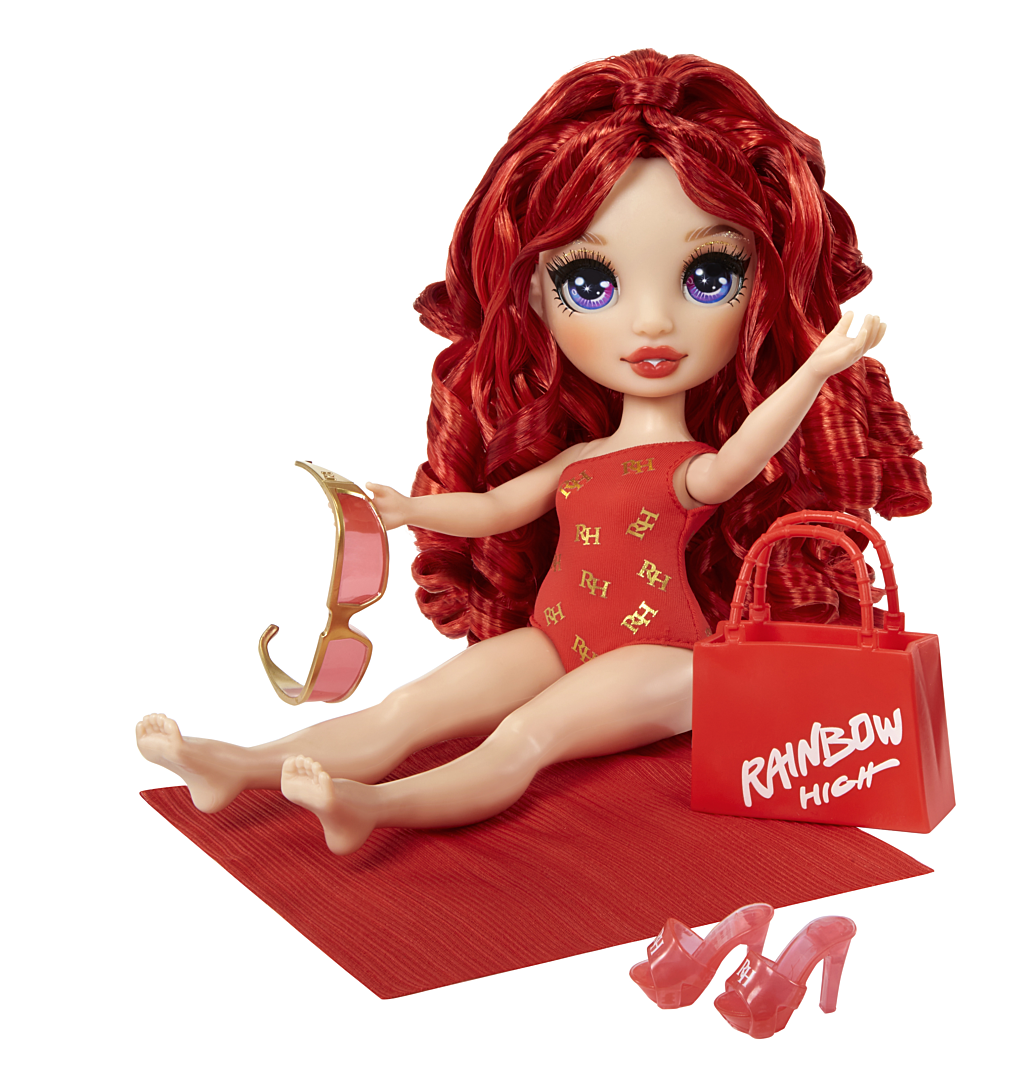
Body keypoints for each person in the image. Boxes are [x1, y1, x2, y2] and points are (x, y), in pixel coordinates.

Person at [137, 49, 930, 854]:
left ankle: (369, 807)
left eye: (709, 274)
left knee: (524, 737)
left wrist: (817, 368)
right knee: (410, 707)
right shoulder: (579, 460)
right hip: (557, 635)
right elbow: (493, 509)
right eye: (592, 283)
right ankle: (232, 764)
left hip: (664, 658)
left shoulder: (691, 467)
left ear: (760, 290)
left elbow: (745, 456)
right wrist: (408, 510)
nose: (651, 323)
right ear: (535, 297)